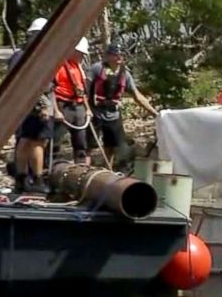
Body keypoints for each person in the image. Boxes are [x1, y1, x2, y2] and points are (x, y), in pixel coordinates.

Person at [86, 43, 157, 169]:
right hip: (95, 112)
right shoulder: (97, 69)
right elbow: (84, 90)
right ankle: (84, 170)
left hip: (113, 113)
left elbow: (137, 95)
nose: (119, 57)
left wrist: (155, 113)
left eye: (121, 54)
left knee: (112, 146)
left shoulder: (125, 74)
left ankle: (107, 169)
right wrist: (86, 109)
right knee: (89, 146)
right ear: (107, 56)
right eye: (115, 54)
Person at [9, 18, 54, 193]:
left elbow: (51, 86)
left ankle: (25, 179)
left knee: (32, 141)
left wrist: (52, 107)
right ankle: (34, 179)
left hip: (35, 103)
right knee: (33, 141)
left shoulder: (44, 56)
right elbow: (25, 82)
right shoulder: (22, 56)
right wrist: (42, 105)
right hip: (29, 104)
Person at [52, 37, 93, 165]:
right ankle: (52, 168)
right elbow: (50, 89)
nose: (82, 56)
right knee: (56, 141)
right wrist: (56, 110)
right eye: (80, 53)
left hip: (78, 106)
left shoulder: (78, 67)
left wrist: (87, 109)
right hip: (63, 105)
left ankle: (81, 168)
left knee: (81, 142)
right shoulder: (58, 65)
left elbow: (82, 90)